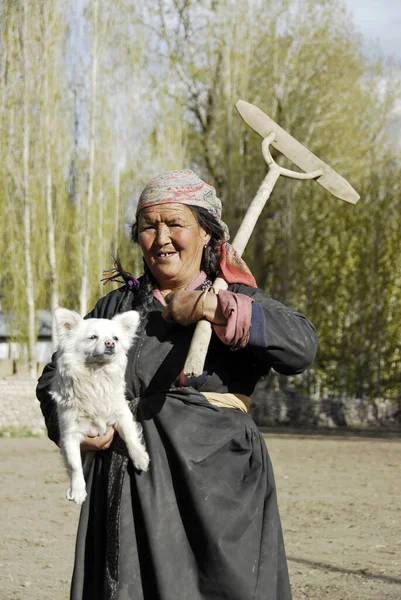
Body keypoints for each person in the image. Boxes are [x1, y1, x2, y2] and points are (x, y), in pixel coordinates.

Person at [37, 169, 318, 600]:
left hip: (216, 498)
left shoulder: (233, 296)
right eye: (149, 226)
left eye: (175, 224)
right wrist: (71, 428)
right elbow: (52, 379)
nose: (161, 237)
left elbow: (301, 347)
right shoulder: (117, 308)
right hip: (128, 491)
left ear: (207, 233)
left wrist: (213, 307)